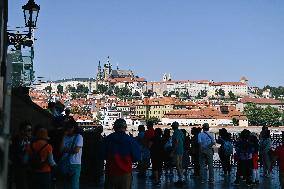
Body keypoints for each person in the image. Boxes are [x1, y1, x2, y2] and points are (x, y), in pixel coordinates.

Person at [103, 118, 141, 189]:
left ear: (114, 127)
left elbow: (102, 155)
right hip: (125, 174)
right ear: (125, 128)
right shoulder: (131, 140)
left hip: (110, 173)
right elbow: (137, 157)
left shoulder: (107, 139)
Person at [61, 120, 84, 189]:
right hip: (65, 162)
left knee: (74, 185)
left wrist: (65, 150)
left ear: (74, 128)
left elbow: (76, 150)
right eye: (67, 127)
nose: (69, 129)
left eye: (71, 127)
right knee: (65, 185)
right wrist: (63, 136)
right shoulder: (65, 137)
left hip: (75, 164)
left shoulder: (79, 137)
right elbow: (60, 149)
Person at [10, 121, 32, 189]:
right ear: (22, 131)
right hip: (18, 168)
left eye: (31, 130)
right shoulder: (15, 140)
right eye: (28, 130)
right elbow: (16, 153)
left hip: (27, 168)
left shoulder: (29, 140)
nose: (30, 132)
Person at [171, 121, 185, 186]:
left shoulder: (176, 132)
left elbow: (176, 141)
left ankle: (180, 179)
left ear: (173, 126)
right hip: (181, 149)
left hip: (177, 150)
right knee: (180, 164)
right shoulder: (181, 132)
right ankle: (182, 177)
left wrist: (173, 151)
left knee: (177, 164)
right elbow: (183, 140)